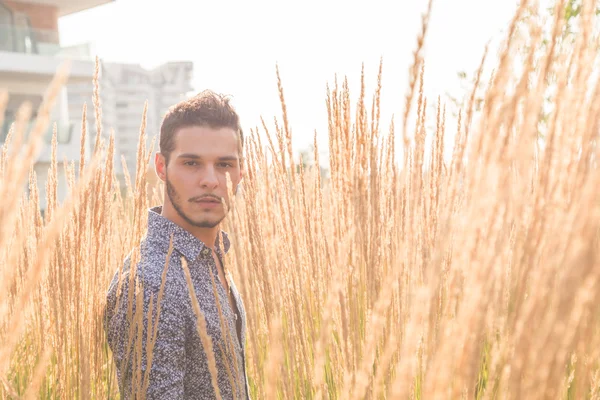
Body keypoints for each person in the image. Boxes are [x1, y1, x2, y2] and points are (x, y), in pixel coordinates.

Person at [104, 90, 249, 399]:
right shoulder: (149, 284)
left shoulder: (213, 257)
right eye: (192, 163)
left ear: (240, 171)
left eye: (224, 164)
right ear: (161, 167)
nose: (211, 179)